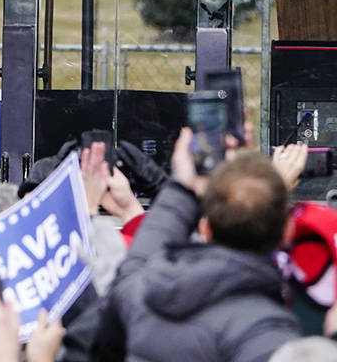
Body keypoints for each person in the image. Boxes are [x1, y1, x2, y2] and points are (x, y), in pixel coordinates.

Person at [95, 129, 301, 361]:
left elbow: (139, 259)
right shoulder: (268, 333)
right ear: (288, 232)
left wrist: (182, 188)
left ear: (205, 228)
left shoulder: (138, 291)